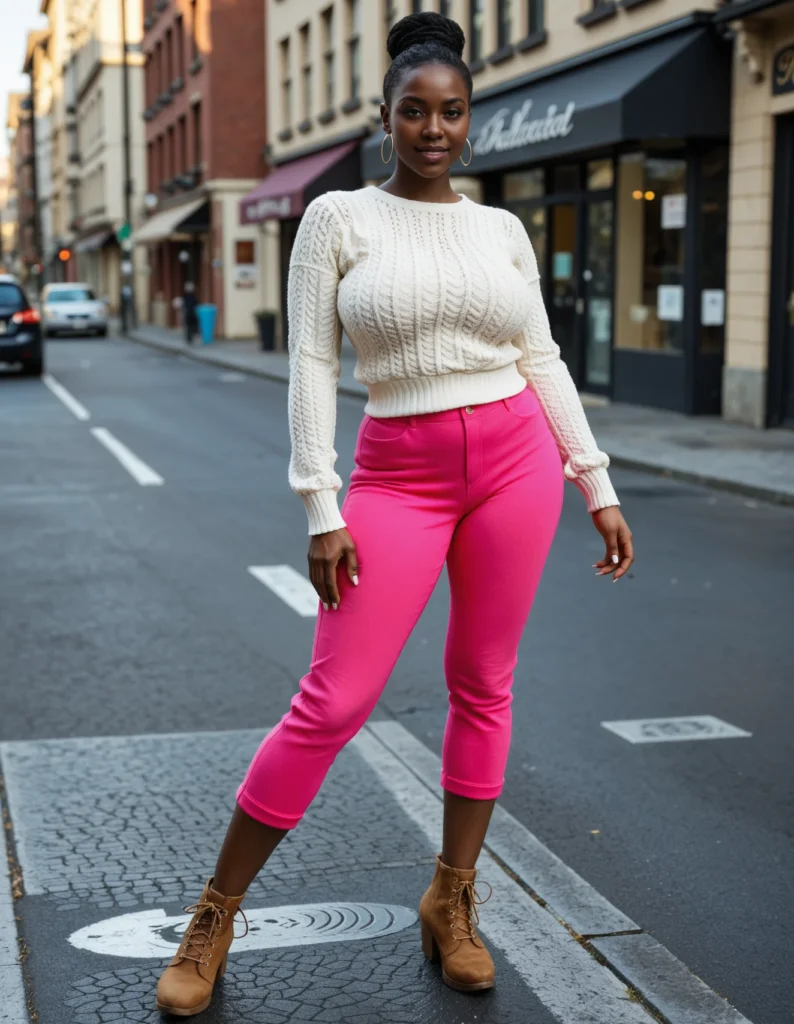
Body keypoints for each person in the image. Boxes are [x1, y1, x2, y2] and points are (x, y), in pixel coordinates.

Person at [155, 10, 634, 1016]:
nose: (433, 129)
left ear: (470, 120)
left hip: (513, 461)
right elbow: (311, 362)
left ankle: (451, 900)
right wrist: (320, 503)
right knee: (333, 700)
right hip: (397, 474)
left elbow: (541, 356)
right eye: (414, 111)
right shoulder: (337, 218)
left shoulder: (500, 229)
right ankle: (214, 914)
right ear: (385, 118)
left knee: (483, 684)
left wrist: (594, 482)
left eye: (451, 112)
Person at [183, 280, 198, 344]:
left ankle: (190, 338)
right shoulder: (189, 296)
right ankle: (189, 338)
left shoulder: (188, 296)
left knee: (190, 326)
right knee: (190, 326)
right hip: (190, 313)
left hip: (190, 313)